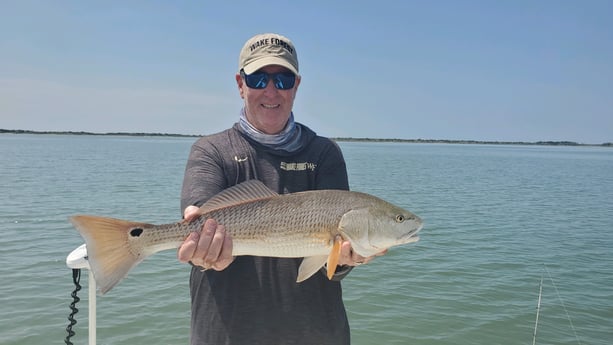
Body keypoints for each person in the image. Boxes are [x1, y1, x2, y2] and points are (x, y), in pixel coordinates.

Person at [177, 33, 384, 345]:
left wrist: (344, 260)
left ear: (297, 86)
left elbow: (332, 264)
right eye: (258, 78)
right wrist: (203, 252)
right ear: (240, 84)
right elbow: (198, 219)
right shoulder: (211, 150)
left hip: (316, 334)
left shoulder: (324, 153)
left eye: (283, 79)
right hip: (225, 334)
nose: (271, 90)